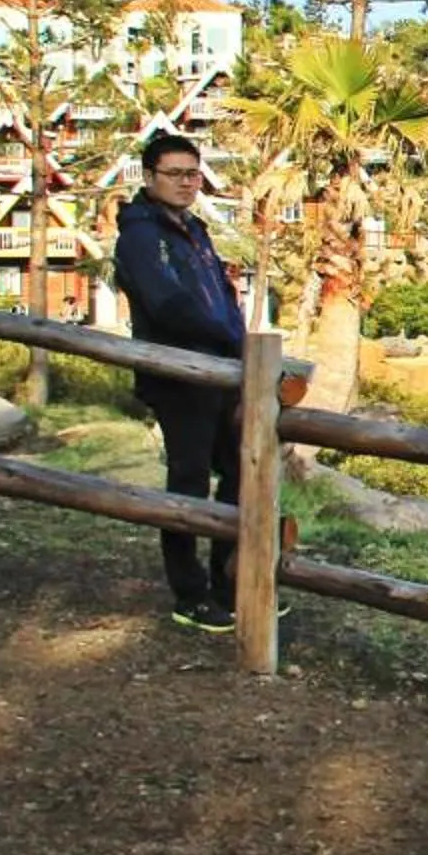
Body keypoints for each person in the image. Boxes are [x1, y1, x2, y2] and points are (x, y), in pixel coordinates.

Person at [112, 131, 248, 631]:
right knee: (188, 481)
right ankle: (189, 594)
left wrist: (239, 340)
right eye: (175, 174)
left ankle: (229, 583)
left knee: (241, 473)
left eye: (193, 174)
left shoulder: (195, 231)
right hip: (177, 374)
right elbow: (167, 305)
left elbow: (222, 298)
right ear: (149, 178)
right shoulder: (141, 236)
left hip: (222, 371)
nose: (187, 183)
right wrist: (227, 338)